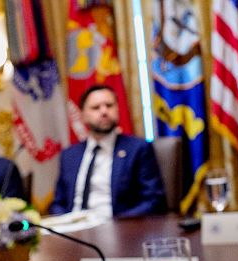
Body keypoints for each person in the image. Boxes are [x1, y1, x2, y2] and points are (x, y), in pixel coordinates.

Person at [50, 85, 167, 217]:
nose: (104, 111)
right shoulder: (69, 155)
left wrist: (116, 222)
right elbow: (58, 203)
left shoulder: (138, 148)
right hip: (74, 227)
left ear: (117, 109)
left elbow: (154, 200)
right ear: (83, 115)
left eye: (109, 105)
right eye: (96, 108)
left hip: (117, 227)